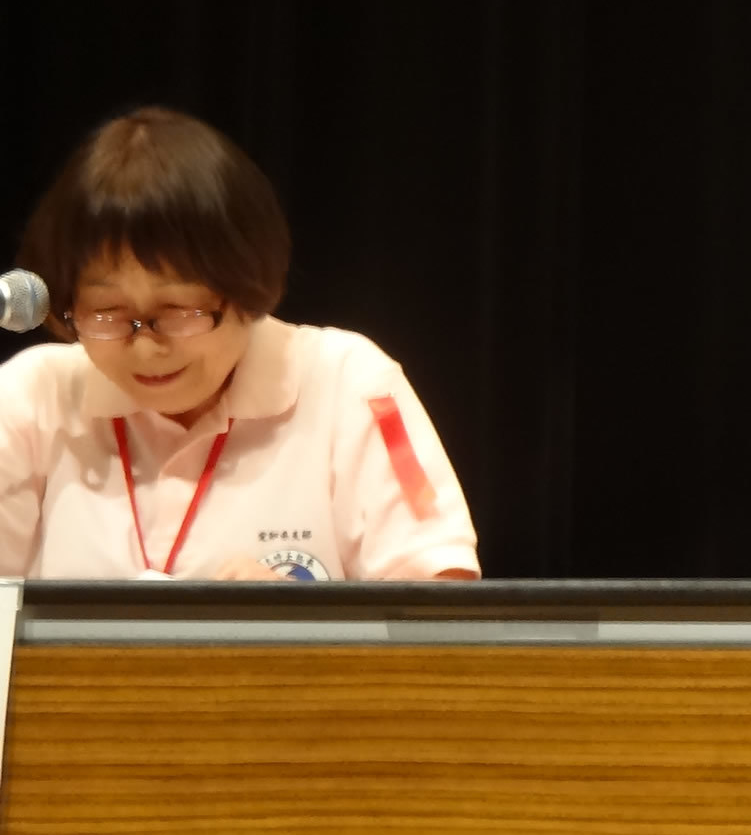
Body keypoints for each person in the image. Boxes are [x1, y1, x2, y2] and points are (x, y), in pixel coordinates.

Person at [0, 107, 479, 580]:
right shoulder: (33, 397)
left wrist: (298, 622)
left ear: (248, 287)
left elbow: (438, 598)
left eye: (179, 310)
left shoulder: (349, 383)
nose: (145, 348)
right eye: (108, 313)